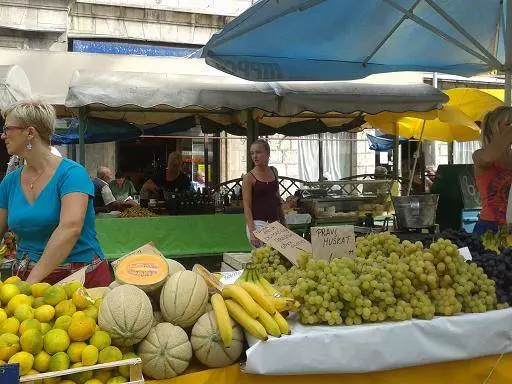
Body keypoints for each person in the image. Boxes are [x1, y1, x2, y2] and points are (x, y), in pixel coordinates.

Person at [0, 100, 111, 287]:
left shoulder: (72, 174)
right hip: (26, 278)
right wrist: (27, 285)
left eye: (7, 129)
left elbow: (70, 228)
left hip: (79, 280)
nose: (3, 135)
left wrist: (30, 285)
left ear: (30, 133)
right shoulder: (10, 182)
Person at [473, 106, 512, 235]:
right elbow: (490, 156)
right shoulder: (479, 155)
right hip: (489, 228)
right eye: (509, 123)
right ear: (494, 129)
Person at [242, 139, 286, 247]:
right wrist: (252, 232)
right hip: (258, 224)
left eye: (258, 152)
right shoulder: (249, 177)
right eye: (252, 153)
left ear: (267, 153)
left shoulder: (274, 171)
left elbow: (277, 199)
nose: (255, 156)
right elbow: (247, 206)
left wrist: (284, 223)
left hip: (275, 223)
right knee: (265, 259)